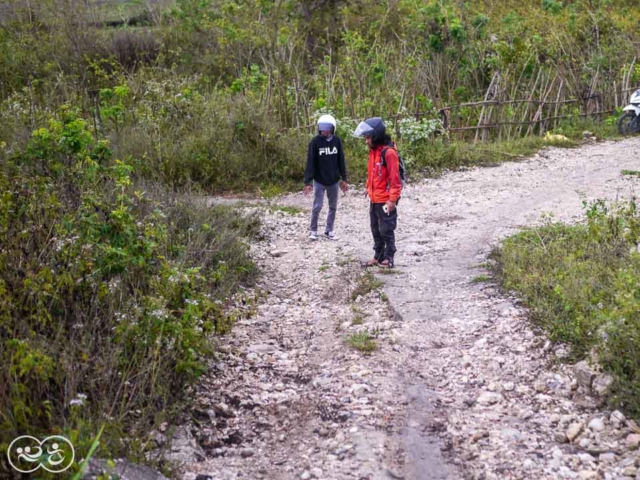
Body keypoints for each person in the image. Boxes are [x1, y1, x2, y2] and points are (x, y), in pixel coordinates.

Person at [354, 117, 402, 268]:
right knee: (375, 228)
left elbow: (395, 180)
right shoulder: (373, 152)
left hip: (385, 199)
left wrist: (392, 200)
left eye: (368, 138)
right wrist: (368, 187)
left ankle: (389, 257)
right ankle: (378, 256)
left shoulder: (388, 153)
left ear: (376, 136)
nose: (366, 141)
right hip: (374, 198)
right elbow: (373, 173)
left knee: (386, 229)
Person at [303, 114, 348, 240]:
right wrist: (308, 182)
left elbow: (341, 161)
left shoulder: (337, 142)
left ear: (332, 128)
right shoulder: (315, 142)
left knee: (333, 206)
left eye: (327, 128)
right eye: (322, 128)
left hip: (333, 180)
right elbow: (310, 162)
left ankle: (329, 230)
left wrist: (344, 179)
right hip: (319, 180)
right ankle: (313, 230)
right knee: (317, 206)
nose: (324, 130)